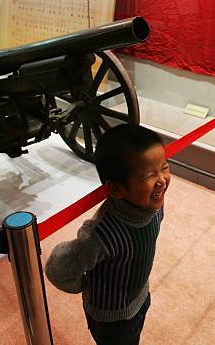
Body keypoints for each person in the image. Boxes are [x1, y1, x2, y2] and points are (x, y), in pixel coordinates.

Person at [45, 124, 170, 345]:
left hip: (139, 295)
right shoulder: (101, 234)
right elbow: (59, 268)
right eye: (148, 175)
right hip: (111, 318)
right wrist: (84, 287)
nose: (161, 180)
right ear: (116, 189)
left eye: (165, 167)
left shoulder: (154, 207)